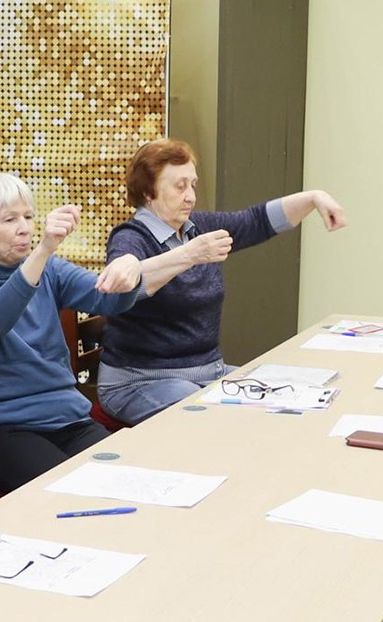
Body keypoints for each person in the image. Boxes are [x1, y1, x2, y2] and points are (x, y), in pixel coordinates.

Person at [97, 138, 346, 425]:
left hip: (210, 374)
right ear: (148, 191)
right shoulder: (130, 237)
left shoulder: (197, 229)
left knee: (295, 403)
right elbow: (125, 284)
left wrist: (313, 198)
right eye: (180, 186)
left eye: (193, 184)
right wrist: (189, 255)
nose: (190, 195)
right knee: (219, 421)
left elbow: (256, 222)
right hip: (140, 382)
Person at [0, 172, 143, 493]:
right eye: (9, 219)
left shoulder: (50, 270)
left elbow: (109, 299)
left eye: (28, 217)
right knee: (71, 491)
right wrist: (44, 249)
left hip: (68, 420)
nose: (24, 227)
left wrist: (131, 270)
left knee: (131, 479)